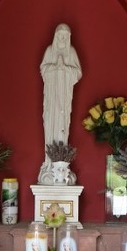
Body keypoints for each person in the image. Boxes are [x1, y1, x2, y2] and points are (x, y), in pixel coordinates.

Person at [39, 23, 81, 182]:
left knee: (63, 126)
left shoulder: (72, 52)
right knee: (51, 124)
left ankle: (62, 167)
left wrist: (65, 68)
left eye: (65, 36)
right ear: (56, 36)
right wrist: (56, 67)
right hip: (51, 97)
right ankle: (49, 164)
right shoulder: (50, 51)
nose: (62, 39)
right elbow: (43, 70)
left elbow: (78, 73)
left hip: (64, 97)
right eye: (60, 35)